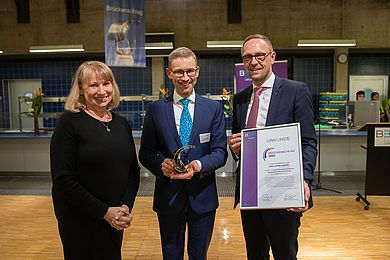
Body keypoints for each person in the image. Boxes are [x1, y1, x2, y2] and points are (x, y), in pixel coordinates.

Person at [229, 34, 318, 260]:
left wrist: (305, 180)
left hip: (283, 190)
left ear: (272, 57)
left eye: (259, 55)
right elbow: (237, 142)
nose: (254, 62)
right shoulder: (240, 98)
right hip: (250, 192)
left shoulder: (296, 91)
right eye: (247, 57)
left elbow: (307, 141)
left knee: (285, 254)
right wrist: (235, 148)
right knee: (255, 254)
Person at [139, 47, 228, 260]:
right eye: (179, 72)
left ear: (197, 71)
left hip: (202, 198)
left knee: (199, 256)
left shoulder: (213, 108)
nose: (185, 77)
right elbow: (146, 153)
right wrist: (161, 164)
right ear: (169, 73)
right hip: (169, 198)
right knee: (171, 255)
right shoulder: (156, 110)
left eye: (190, 71)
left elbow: (219, 152)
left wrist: (198, 165)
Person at [50, 61, 140, 259]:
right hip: (80, 218)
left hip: (115, 217)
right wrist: (104, 212)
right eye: (93, 85)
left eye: (106, 84)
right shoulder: (69, 123)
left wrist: (124, 207)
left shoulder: (121, 124)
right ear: (81, 89)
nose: (102, 91)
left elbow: (132, 171)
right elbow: (63, 179)